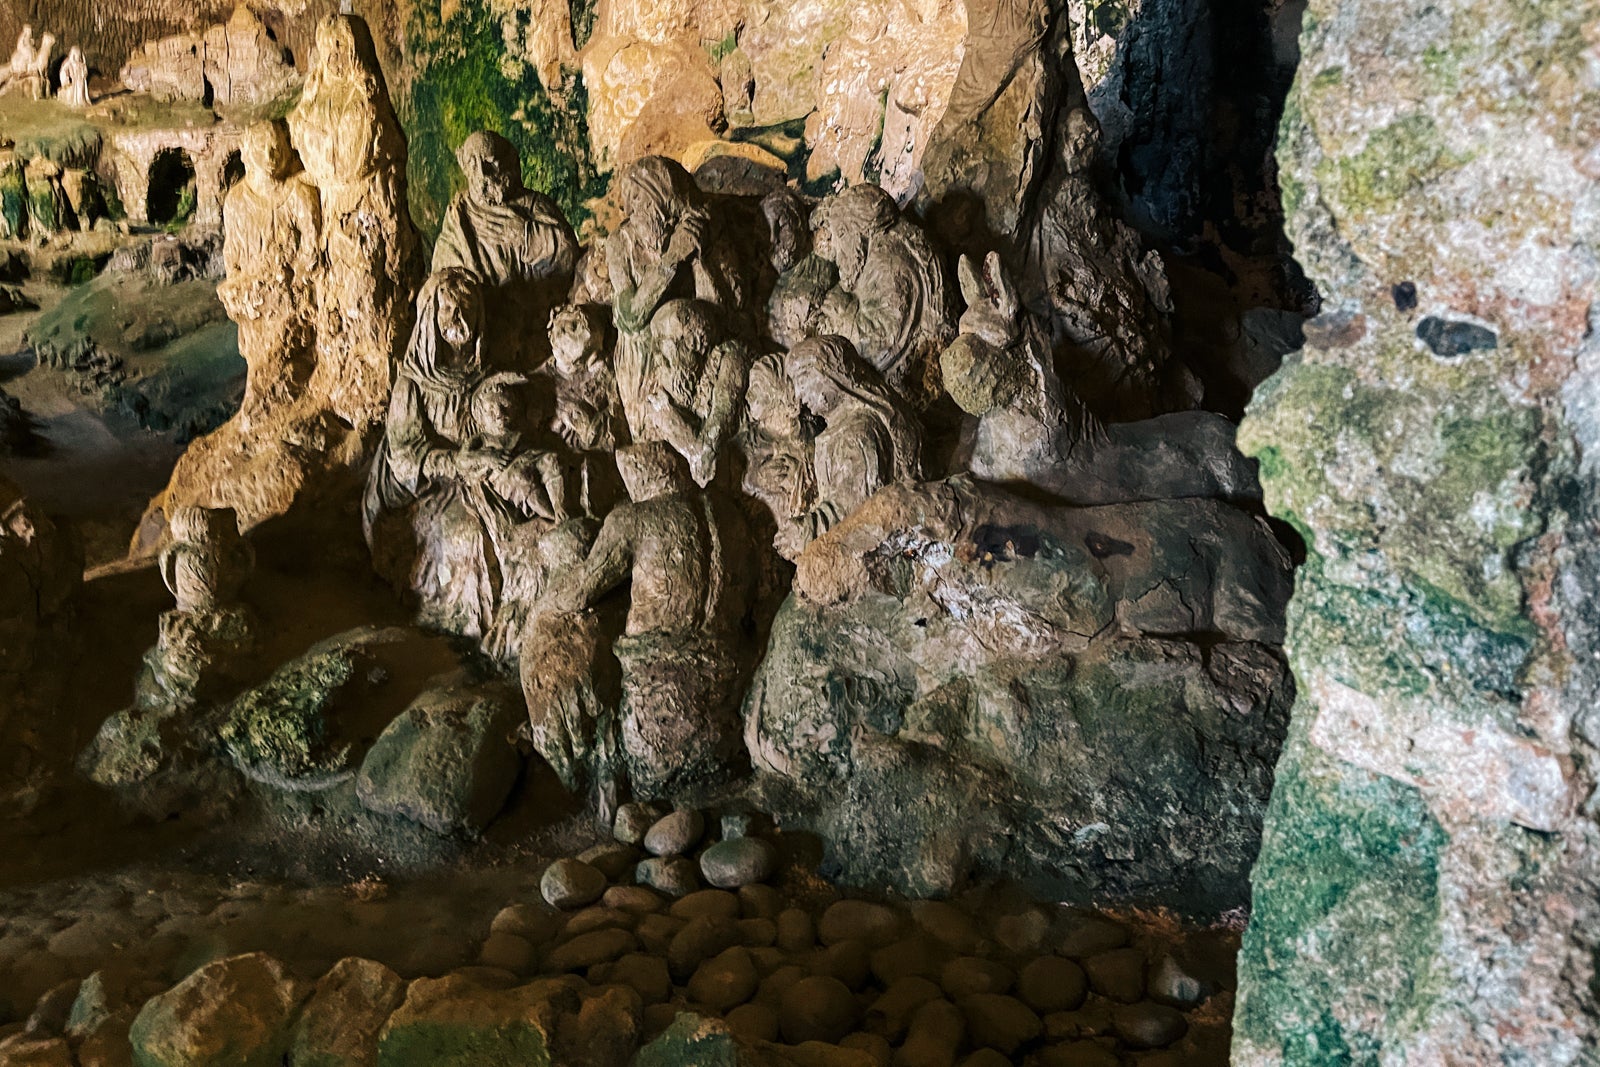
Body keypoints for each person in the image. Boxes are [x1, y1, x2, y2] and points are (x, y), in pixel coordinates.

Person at [534, 442, 755, 800]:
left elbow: (580, 593)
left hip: (657, 686)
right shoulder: (729, 512)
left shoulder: (632, 519)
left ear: (637, 479)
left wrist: (544, 601)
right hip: (728, 671)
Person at [364, 269, 551, 637]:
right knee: (472, 536)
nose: (457, 320)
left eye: (466, 309)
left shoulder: (479, 370)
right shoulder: (413, 384)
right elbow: (403, 461)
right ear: (431, 318)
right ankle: (470, 622)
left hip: (473, 470)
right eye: (447, 310)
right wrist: (457, 463)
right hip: (420, 489)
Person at [433, 130, 577, 365]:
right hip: (485, 333)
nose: (482, 175)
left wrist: (524, 234)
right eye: (473, 165)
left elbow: (567, 251)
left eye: (490, 163)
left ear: (506, 163)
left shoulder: (530, 205)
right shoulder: (458, 220)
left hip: (538, 328)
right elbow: (441, 279)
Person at [778, 335, 923, 557]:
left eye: (804, 379)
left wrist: (808, 528)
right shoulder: (838, 432)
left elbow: (858, 508)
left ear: (829, 374)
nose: (799, 395)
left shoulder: (859, 430)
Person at [810, 183, 954, 406]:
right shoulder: (882, 251)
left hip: (915, 372)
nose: (838, 259)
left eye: (838, 241)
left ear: (851, 231)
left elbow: (880, 345)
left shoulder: (886, 263)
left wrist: (843, 315)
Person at [635, 299, 750, 488]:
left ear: (694, 343)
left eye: (663, 345)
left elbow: (705, 459)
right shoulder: (690, 393)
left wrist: (670, 419)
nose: (657, 358)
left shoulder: (730, 361)